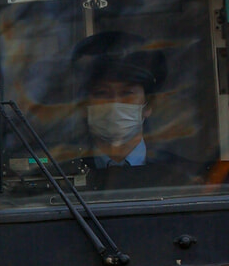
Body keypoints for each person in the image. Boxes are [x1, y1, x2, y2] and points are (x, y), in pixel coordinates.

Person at [73, 33, 192, 191]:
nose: (114, 104)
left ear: (148, 106)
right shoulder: (62, 177)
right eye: (102, 93)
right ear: (84, 107)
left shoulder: (180, 178)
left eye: (127, 93)